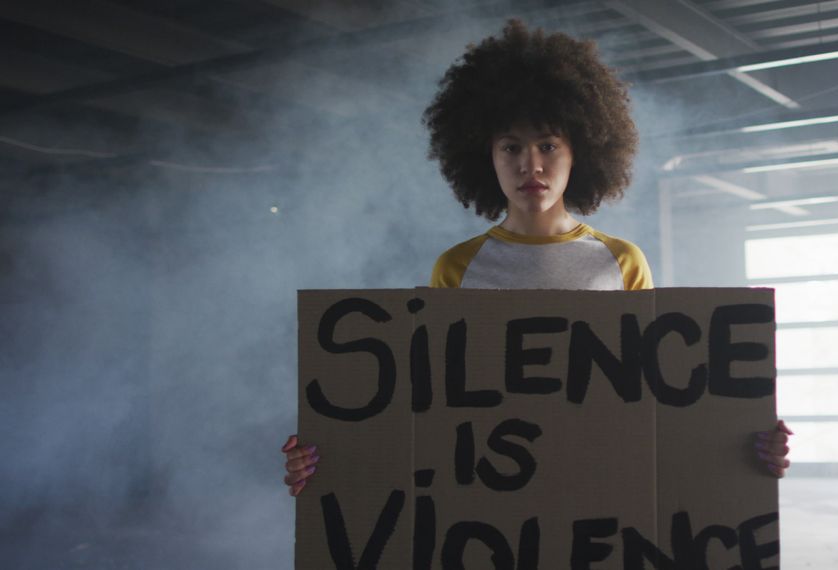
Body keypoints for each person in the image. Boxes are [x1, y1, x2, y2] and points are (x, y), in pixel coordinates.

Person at [282, 19, 792, 497]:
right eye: (510, 147)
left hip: (599, 494)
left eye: (548, 144)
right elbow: (428, 408)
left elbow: (659, 399)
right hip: (490, 504)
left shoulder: (621, 262)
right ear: (486, 156)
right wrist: (331, 458)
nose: (531, 164)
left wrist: (745, 445)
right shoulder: (455, 268)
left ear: (582, 150)